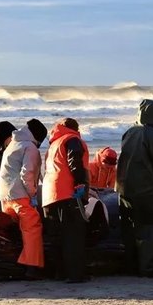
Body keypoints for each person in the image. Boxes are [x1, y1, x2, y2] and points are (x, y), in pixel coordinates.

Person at [116, 99, 153, 277]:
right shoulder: (152, 134)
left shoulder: (129, 132)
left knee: (130, 228)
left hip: (123, 188)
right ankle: (148, 268)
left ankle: (130, 266)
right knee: (152, 227)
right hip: (146, 188)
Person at [0, 118, 48, 279]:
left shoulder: (13, 144)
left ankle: (12, 263)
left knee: (13, 229)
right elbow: (28, 174)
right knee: (32, 227)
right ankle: (32, 267)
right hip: (20, 195)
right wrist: (32, 194)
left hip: (4, 196)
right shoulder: (30, 147)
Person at [41, 117, 89, 283]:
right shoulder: (72, 139)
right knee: (73, 235)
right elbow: (74, 161)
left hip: (49, 195)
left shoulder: (53, 144)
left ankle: (60, 273)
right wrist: (80, 183)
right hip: (68, 193)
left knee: (57, 237)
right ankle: (75, 274)